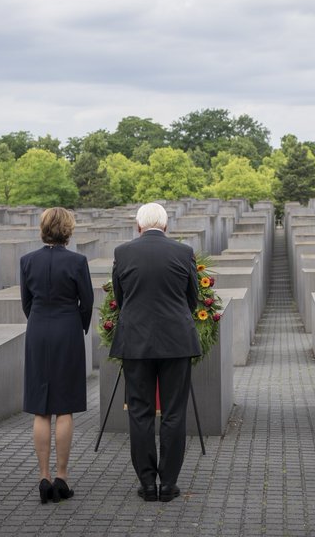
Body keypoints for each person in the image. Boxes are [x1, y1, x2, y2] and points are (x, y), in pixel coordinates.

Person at [109, 202, 201, 503]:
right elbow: (192, 297)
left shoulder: (123, 253)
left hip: (136, 342)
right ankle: (169, 484)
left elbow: (121, 299)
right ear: (166, 226)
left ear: (138, 226)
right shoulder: (183, 252)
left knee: (140, 413)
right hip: (176, 343)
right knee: (174, 413)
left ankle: (147, 483)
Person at [20, 207, 93, 504]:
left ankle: (43, 476)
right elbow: (86, 302)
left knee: (41, 408)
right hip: (67, 331)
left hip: (38, 330)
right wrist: (79, 327)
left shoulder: (27, 261)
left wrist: (39, 320)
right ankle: (62, 476)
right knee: (64, 408)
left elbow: (27, 302)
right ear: (68, 230)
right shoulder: (77, 262)